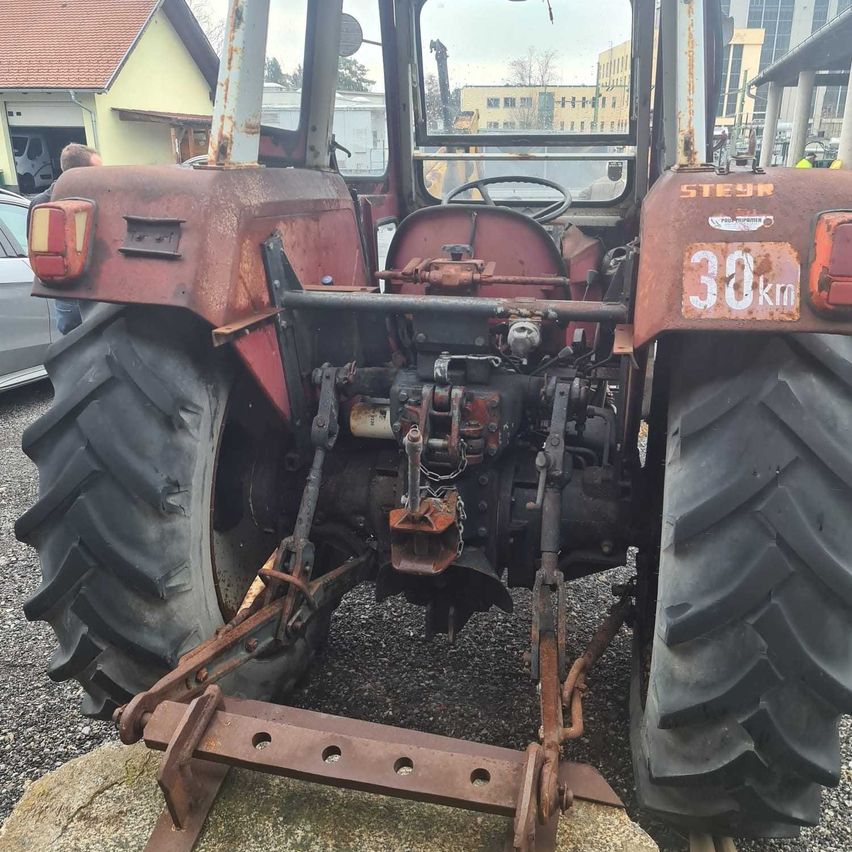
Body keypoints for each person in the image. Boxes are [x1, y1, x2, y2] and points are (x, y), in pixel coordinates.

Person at [28, 143, 103, 334]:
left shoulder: (102, 199)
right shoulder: (45, 203)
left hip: (99, 288)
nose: (103, 175)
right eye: (97, 170)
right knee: (76, 340)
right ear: (78, 172)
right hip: (70, 292)